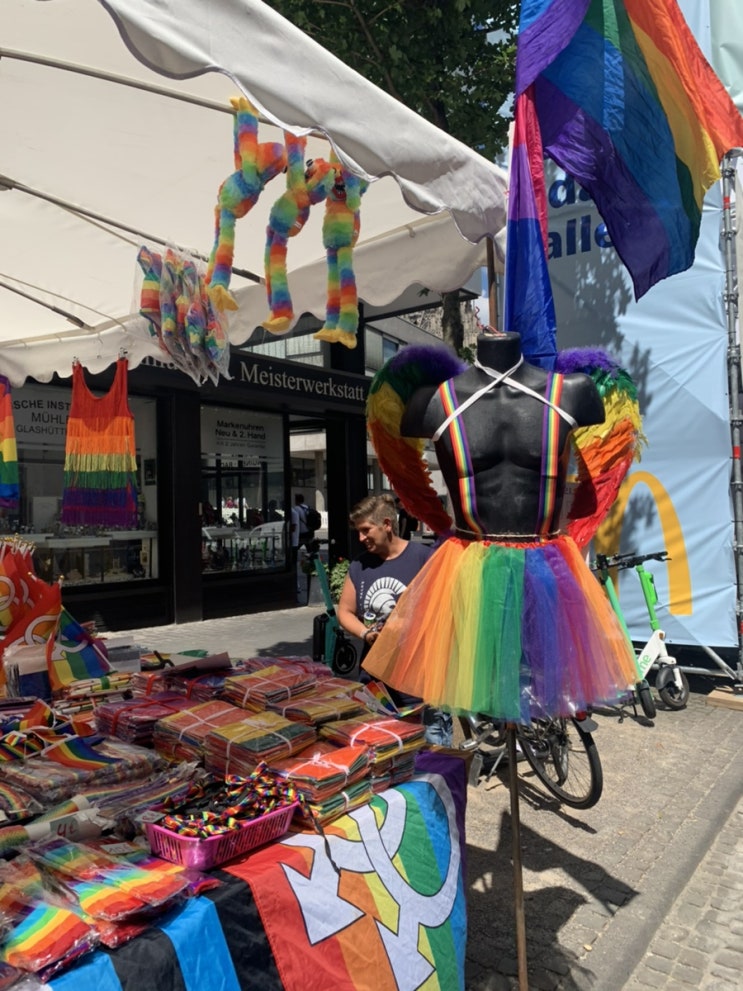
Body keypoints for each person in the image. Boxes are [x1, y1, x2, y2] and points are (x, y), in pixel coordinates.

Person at [362, 331, 638, 723]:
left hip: (545, 559)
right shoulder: (434, 400)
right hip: (469, 564)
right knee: (475, 679)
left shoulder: (572, 392)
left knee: (546, 678)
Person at [336, 493, 453, 745]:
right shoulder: (360, 565)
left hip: (420, 685)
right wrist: (366, 633)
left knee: (430, 756)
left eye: (366, 530)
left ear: (386, 524)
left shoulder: (423, 558)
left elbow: (444, 609)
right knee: (386, 753)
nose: (361, 538)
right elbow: (345, 611)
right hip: (376, 686)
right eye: (358, 531)